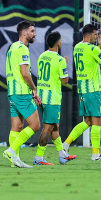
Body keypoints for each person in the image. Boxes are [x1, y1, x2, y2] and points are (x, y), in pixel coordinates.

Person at [64, 24, 101, 160]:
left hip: (82, 89)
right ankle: (95, 154)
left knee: (88, 121)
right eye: (95, 34)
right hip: (92, 89)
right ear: (89, 35)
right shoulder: (92, 49)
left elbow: (90, 56)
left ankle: (65, 144)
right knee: (97, 120)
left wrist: (99, 48)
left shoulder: (77, 47)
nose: (97, 37)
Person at [3, 21, 40, 169]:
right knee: (35, 125)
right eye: (32, 31)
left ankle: (15, 160)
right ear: (24, 33)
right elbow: (25, 73)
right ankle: (11, 151)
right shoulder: (23, 49)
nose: (34, 34)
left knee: (17, 126)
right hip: (22, 92)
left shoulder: (12, 47)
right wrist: (34, 89)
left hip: (12, 92)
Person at [34, 32, 73, 166]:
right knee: (48, 127)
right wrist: (65, 65)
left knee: (55, 127)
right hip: (52, 98)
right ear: (58, 43)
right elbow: (65, 80)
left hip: (41, 96)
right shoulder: (60, 60)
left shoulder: (42, 56)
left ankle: (62, 155)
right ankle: (38, 157)